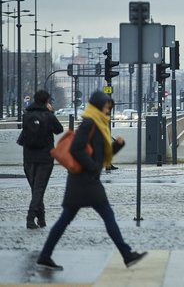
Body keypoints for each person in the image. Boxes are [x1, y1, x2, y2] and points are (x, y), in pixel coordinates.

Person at [37, 91, 147, 271]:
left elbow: (99, 156)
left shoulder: (97, 123)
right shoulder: (89, 123)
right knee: (107, 216)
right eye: (105, 107)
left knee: (65, 219)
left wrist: (116, 146)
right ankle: (126, 254)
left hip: (82, 181)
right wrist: (94, 168)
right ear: (97, 106)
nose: (108, 111)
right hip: (85, 180)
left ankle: (45, 255)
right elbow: (76, 149)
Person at [18, 90, 64, 229]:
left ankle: (41, 218)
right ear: (47, 101)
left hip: (28, 158)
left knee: (36, 189)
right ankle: (30, 218)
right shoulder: (48, 116)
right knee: (39, 189)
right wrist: (50, 113)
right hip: (45, 158)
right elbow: (59, 130)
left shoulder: (26, 116)